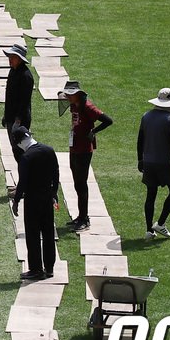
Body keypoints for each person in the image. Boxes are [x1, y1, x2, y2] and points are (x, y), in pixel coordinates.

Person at [61, 80, 112, 232]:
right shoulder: (74, 105)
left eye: (71, 94)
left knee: (81, 184)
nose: (68, 97)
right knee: (77, 183)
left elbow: (108, 121)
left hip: (84, 149)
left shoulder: (88, 107)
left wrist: (93, 132)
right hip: (74, 147)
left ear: (78, 94)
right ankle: (80, 215)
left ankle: (85, 218)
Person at [10, 127, 59, 281]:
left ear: (19, 143)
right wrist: (54, 193)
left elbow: (23, 182)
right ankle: (49, 268)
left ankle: (36, 269)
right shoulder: (49, 150)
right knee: (48, 233)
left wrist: (16, 201)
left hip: (32, 200)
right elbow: (55, 174)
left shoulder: (26, 157)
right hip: (47, 198)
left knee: (33, 235)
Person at [138, 87, 170, 239]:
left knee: (151, 195)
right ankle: (161, 224)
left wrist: (140, 159)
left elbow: (140, 140)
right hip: (165, 163)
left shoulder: (146, 116)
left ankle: (149, 230)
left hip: (149, 162)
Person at [2, 43, 34, 162]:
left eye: (12, 57)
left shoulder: (26, 76)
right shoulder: (13, 71)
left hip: (19, 120)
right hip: (11, 117)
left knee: (20, 150)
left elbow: (24, 101)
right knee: (15, 149)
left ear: (19, 59)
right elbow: (9, 96)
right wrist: (6, 115)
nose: (10, 59)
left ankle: (26, 176)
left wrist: (18, 120)